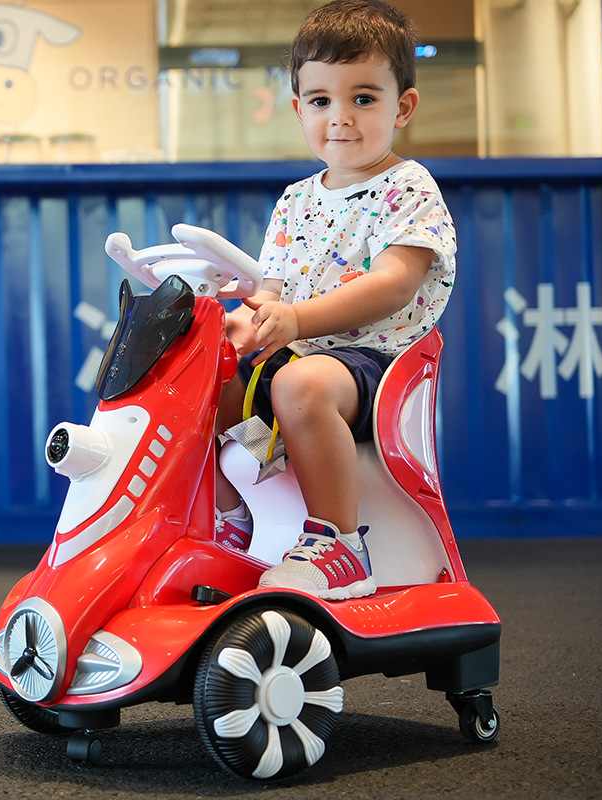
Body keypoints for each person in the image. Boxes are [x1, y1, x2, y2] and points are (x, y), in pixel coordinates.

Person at [214, 0, 457, 600]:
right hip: (297, 357)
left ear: (403, 107)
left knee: (303, 385)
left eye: (364, 99)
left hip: (374, 363)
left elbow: (394, 283)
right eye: (321, 101)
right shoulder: (294, 201)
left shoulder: (408, 187)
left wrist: (294, 319)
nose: (340, 118)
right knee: (203, 372)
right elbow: (267, 296)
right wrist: (241, 326)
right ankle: (232, 518)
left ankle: (339, 545)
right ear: (299, 109)